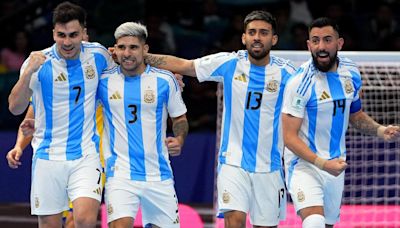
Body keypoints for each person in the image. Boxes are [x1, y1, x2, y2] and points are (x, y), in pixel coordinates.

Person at [145, 10, 296, 228]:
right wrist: (140, 56)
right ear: (243, 37)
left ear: (274, 39)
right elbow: (185, 65)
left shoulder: (288, 74)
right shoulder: (230, 63)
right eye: (252, 32)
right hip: (232, 162)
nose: (257, 37)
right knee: (234, 222)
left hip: (270, 167)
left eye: (263, 33)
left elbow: (314, 92)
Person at [281, 17, 400, 228]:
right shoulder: (299, 84)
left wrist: (381, 131)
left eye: (327, 40)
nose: (321, 47)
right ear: (308, 45)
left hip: (336, 164)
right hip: (304, 164)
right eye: (315, 41)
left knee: (326, 225)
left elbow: (355, 115)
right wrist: (322, 164)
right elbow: (289, 137)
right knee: (314, 222)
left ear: (340, 43)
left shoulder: (351, 73)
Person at [7, 1, 115, 227]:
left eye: (73, 35)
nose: (67, 42)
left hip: (86, 154)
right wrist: (27, 74)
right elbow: (16, 108)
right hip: (47, 157)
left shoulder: (99, 56)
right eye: (61, 35)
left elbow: (129, 67)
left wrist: (168, 76)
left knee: (84, 220)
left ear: (84, 33)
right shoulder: (38, 63)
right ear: (53, 33)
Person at [99, 22, 188, 227]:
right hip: (120, 174)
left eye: (133, 47)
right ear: (115, 49)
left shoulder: (165, 80)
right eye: (121, 47)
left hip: (159, 175)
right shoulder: (103, 81)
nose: (127, 53)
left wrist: (180, 139)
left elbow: (180, 118)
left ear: (145, 49)